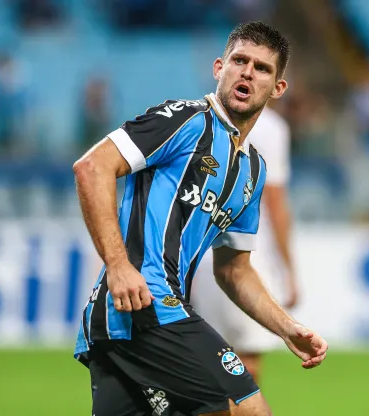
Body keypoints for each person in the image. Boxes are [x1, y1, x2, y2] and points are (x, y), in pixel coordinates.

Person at [71, 21, 328, 416]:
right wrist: (119, 265)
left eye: (261, 68)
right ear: (218, 68)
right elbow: (92, 168)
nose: (247, 72)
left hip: (129, 322)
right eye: (239, 60)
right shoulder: (185, 120)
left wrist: (284, 326)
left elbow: (234, 270)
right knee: (248, 410)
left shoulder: (253, 171)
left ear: (278, 88)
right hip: (149, 304)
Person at [191, 101, 298, 385]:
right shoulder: (271, 127)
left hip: (199, 252)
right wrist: (289, 271)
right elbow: (275, 203)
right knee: (247, 366)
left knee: (207, 361)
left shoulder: (200, 117)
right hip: (245, 253)